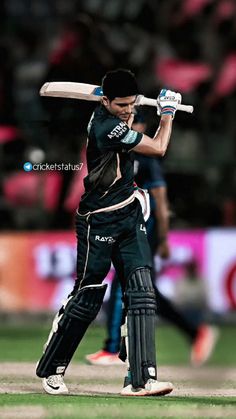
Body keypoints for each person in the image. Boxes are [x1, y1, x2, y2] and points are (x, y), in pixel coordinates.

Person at [36, 68, 181, 397]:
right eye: (122, 105)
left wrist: (140, 110)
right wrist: (168, 114)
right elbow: (158, 148)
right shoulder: (104, 126)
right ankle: (52, 368)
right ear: (105, 101)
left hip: (129, 215)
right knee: (87, 298)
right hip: (97, 220)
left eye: (132, 104)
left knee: (142, 292)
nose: (129, 110)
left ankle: (141, 379)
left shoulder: (119, 115)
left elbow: (129, 123)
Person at [86, 113, 219, 368]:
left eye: (134, 123)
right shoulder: (118, 148)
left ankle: (113, 348)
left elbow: (161, 197)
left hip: (147, 226)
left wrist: (164, 237)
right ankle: (196, 333)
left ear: (143, 126)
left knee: (124, 283)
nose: (127, 126)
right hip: (130, 224)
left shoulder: (145, 154)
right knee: (144, 289)